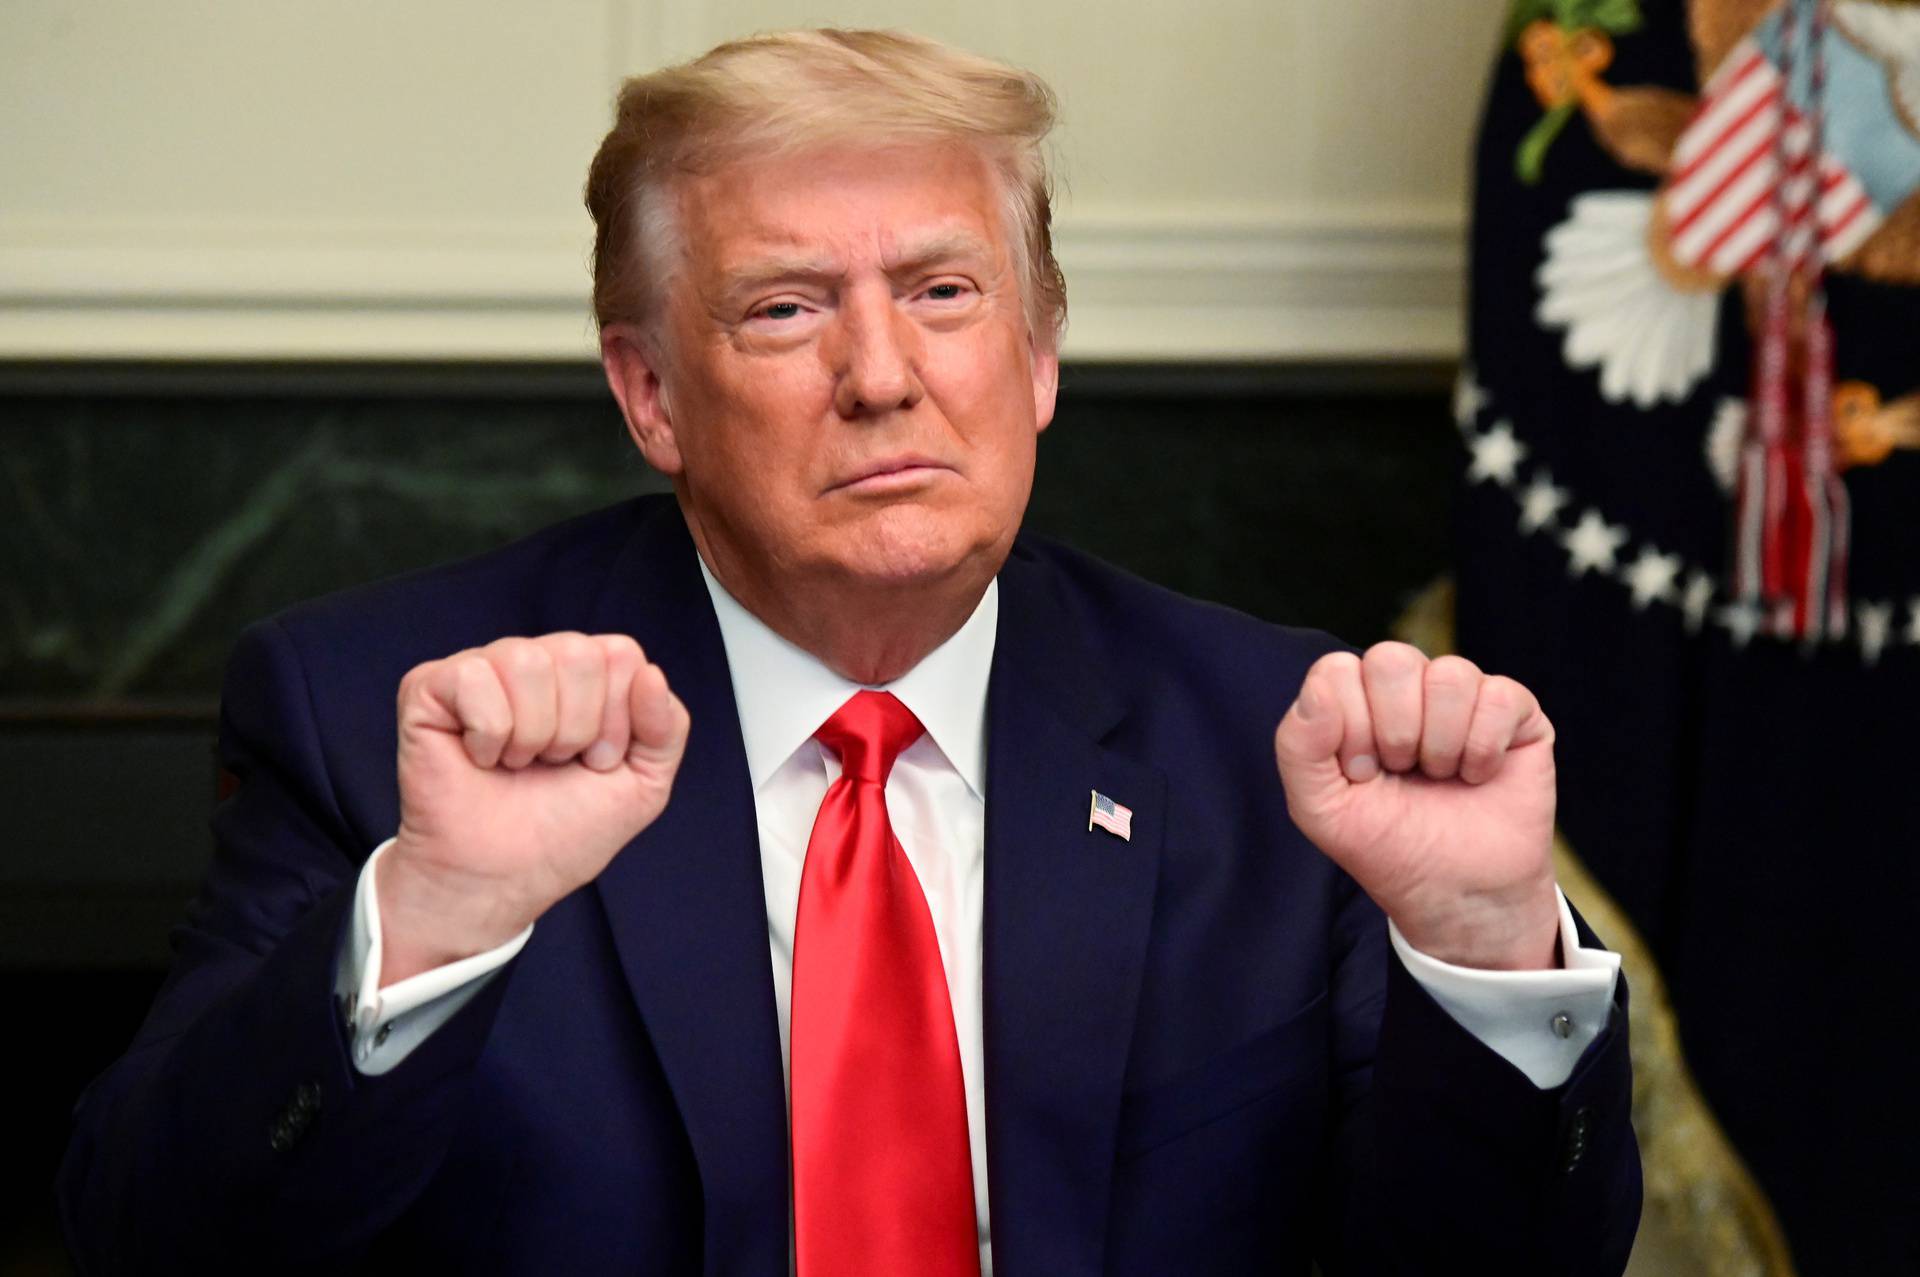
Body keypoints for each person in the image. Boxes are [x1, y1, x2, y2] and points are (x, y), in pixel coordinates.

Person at [58, 29, 1639, 1275]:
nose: (881, 374)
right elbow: (155, 1239)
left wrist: (1489, 948)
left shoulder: (1273, 745)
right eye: (784, 309)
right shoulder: (382, 721)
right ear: (652, 393)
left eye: (944, 293)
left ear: (1035, 356)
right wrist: (436, 921)